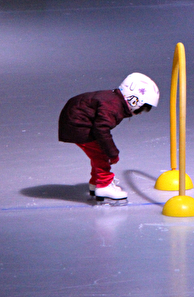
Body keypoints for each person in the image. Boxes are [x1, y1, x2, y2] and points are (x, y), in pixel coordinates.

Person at [58, 73, 159, 202]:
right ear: (134, 100)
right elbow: (101, 130)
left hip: (75, 122)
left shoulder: (114, 101)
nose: (138, 113)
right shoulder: (113, 107)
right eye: (141, 109)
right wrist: (112, 153)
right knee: (101, 155)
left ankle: (96, 183)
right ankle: (104, 185)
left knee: (97, 155)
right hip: (77, 125)